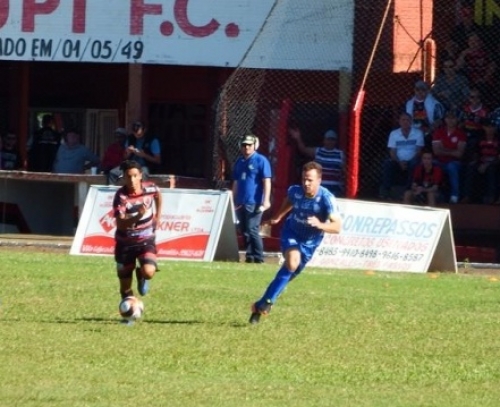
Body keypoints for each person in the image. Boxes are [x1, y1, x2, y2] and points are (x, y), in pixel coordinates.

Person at [248, 161, 342, 324]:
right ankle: (268, 302)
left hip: (310, 243)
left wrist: (320, 224)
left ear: (319, 180)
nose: (306, 183)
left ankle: (261, 304)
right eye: (304, 179)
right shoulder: (295, 191)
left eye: (310, 180)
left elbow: (337, 227)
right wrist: (278, 216)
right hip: (291, 233)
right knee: (292, 262)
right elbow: (290, 200)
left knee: (288, 275)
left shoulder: (326, 199)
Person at [112, 160, 162, 320]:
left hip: (145, 241)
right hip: (125, 244)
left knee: (149, 272)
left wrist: (158, 216)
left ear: (140, 175)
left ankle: (141, 274)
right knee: (125, 288)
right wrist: (138, 216)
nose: (132, 180)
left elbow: (158, 195)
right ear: (124, 177)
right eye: (128, 176)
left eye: (135, 176)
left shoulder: (150, 188)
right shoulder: (121, 197)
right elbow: (121, 224)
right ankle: (130, 314)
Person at [232, 134, 272, 264]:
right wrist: (233, 199)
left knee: (252, 229)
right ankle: (250, 256)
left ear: (255, 145)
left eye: (249, 145)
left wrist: (266, 200)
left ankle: (259, 257)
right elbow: (236, 182)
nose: (247, 147)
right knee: (244, 230)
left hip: (254, 201)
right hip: (241, 201)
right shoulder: (239, 161)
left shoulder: (261, 160)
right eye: (244, 145)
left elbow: (266, 181)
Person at [378, 112, 424, 200]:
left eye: (407, 120)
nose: (405, 122)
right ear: (399, 122)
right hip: (398, 160)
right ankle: (386, 191)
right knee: (387, 164)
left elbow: (418, 151)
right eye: (403, 120)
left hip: (413, 160)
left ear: (411, 122)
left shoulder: (418, 133)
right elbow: (392, 151)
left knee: (414, 164)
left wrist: (409, 161)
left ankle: (407, 190)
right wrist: (399, 162)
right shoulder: (394, 134)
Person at [289, 127, 345, 196]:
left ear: (335, 141)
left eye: (332, 139)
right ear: (324, 140)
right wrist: (298, 138)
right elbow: (303, 149)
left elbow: (344, 171)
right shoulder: (318, 151)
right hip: (319, 188)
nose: (330, 141)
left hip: (335, 189)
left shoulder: (340, 154)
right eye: (328, 139)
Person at [461, 117, 499, 204]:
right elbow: (476, 153)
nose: (490, 129)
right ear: (484, 127)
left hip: (495, 163)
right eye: (488, 127)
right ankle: (467, 196)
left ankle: (491, 196)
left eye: (492, 127)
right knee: (471, 167)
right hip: (481, 162)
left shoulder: (498, 139)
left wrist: (488, 164)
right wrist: (478, 162)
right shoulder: (479, 139)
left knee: (492, 170)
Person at [432, 109, 467, 203]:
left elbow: (459, 154)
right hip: (439, 161)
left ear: (457, 120)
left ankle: (455, 195)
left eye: (453, 118)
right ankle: (430, 193)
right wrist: (452, 151)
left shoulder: (461, 134)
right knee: (429, 163)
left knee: (452, 167)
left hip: (454, 162)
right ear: (445, 119)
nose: (450, 120)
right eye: (448, 118)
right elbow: (436, 151)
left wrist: (443, 149)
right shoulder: (438, 132)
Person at [405, 80, 445, 148]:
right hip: (414, 131)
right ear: (414, 90)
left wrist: (428, 131)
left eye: (423, 89)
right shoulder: (409, 104)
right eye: (417, 89)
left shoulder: (435, 104)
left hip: (430, 132)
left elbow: (439, 121)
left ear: (427, 91)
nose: (420, 92)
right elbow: (406, 119)